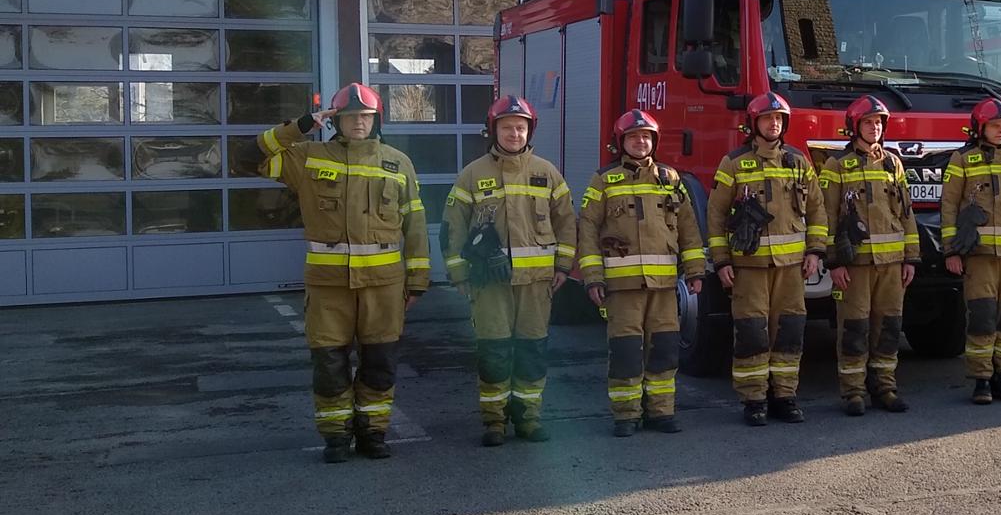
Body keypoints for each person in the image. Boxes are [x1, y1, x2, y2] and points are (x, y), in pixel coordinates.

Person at [257, 83, 430, 463]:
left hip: (384, 287)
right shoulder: (308, 157)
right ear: (336, 120)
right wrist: (302, 125)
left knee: (380, 362)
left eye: (365, 116)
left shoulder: (398, 162)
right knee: (329, 363)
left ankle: (373, 434)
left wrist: (418, 279)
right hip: (328, 287)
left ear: (376, 119)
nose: (358, 122)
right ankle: (336, 437)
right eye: (350, 116)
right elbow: (253, 156)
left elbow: (415, 224)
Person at [441, 95, 575, 446]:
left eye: (520, 127)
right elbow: (453, 227)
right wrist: (459, 273)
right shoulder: (473, 174)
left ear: (530, 131)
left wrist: (563, 266)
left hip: (537, 284)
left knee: (532, 351)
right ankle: (494, 422)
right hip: (489, 284)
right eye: (507, 128)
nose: (514, 134)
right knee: (494, 352)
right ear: (493, 130)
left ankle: (528, 419)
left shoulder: (547, 173)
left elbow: (567, 223)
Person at [576, 109, 705, 436]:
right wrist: (593, 277)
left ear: (654, 141)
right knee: (626, 351)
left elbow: (688, 227)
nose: (640, 142)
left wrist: (695, 270)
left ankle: (661, 412)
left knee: (664, 349)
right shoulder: (604, 180)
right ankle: (626, 415)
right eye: (633, 137)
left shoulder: (669, 179)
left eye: (646, 136)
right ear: (621, 142)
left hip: (663, 286)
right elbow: (587, 230)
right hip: (622, 287)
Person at [706, 93, 828, 426]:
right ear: (753, 123)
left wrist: (815, 251)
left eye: (778, 119)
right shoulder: (733, 162)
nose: (773, 123)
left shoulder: (798, 161)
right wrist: (722, 261)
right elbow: (716, 215)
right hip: (749, 268)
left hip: (791, 268)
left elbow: (817, 209)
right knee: (752, 333)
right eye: (767, 118)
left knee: (789, 331)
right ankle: (754, 400)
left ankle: (785, 396)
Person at [939, 96, 1001, 405]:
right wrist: (951, 251)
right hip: (980, 256)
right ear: (980, 128)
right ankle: (981, 380)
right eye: (995, 125)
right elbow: (948, 207)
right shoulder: (962, 159)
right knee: (982, 318)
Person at [820, 95, 918, 416]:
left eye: (878, 122)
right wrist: (834, 262)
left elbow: (906, 214)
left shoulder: (893, 163)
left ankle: (885, 388)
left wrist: (910, 258)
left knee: (888, 327)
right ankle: (853, 392)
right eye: (868, 122)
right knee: (854, 328)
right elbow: (827, 217)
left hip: (891, 264)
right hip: (855, 265)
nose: (875, 127)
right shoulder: (836, 165)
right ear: (854, 126)